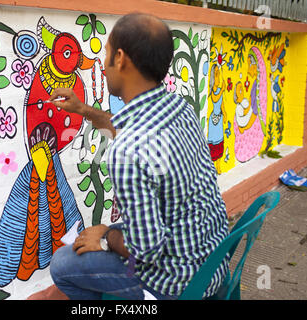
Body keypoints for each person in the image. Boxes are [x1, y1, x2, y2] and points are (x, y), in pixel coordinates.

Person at [28, 12, 229, 300]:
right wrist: (83, 109)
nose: (104, 64)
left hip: (178, 283)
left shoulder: (127, 152)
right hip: (211, 260)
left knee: (62, 264)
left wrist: (105, 235)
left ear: (120, 59)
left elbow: (145, 250)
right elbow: (128, 128)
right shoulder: (179, 107)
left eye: (107, 54)